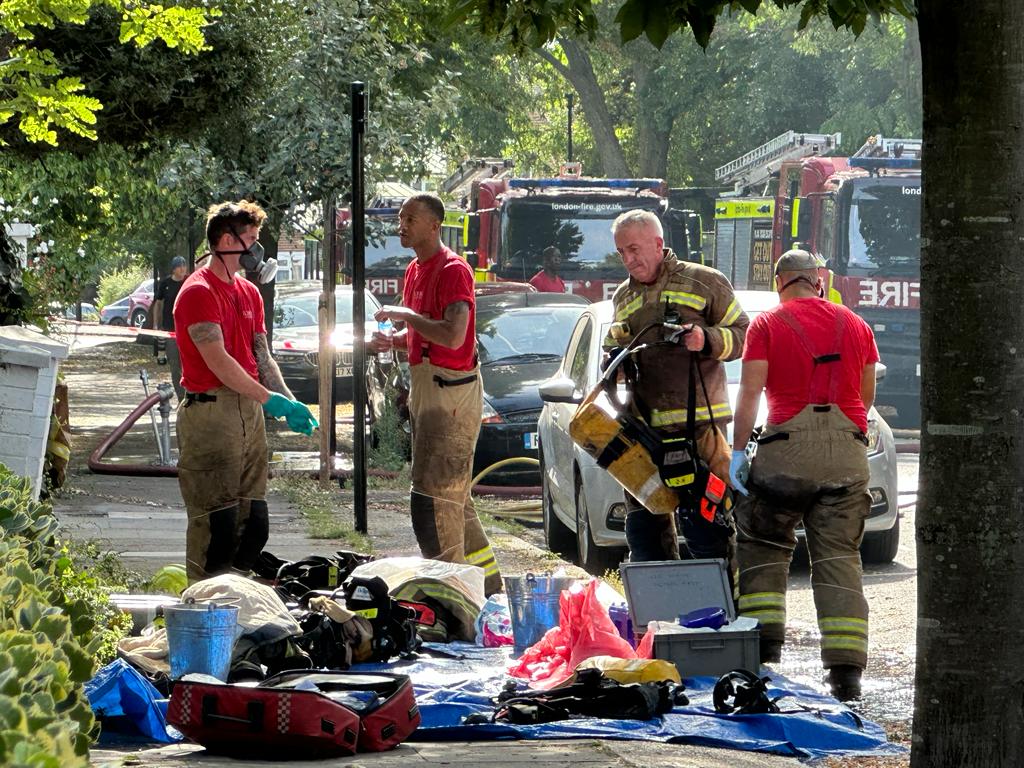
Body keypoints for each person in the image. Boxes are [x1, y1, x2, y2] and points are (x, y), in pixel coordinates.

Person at [729, 248, 879, 701]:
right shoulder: (856, 324)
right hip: (847, 458)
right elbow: (865, 398)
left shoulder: (768, 325)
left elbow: (751, 393)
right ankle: (846, 675)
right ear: (819, 281)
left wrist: (738, 453)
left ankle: (764, 653)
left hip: (786, 455)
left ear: (779, 284)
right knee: (839, 561)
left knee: (763, 544)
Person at [173, 200, 318, 584]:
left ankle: (236, 600)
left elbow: (261, 356)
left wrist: (289, 401)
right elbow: (218, 361)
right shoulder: (197, 292)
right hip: (210, 413)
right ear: (226, 241)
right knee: (216, 527)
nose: (257, 249)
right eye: (251, 239)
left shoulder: (249, 293)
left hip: (248, 415)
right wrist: (269, 399)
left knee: (253, 524)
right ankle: (204, 608)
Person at [371, 193, 502, 596]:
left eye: (410, 218)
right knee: (455, 499)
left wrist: (406, 316)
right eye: (399, 218)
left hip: (451, 396)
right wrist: (393, 343)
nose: (401, 225)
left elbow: (453, 334)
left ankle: (454, 594)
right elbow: (426, 335)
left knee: (434, 499)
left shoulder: (453, 270)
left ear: (434, 225)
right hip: (428, 390)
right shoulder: (415, 269)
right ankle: (491, 590)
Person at [603, 209, 748, 567]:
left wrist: (707, 338)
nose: (628, 259)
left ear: (658, 243)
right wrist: (614, 362)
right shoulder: (623, 296)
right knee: (645, 533)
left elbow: (746, 337)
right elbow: (614, 345)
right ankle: (659, 614)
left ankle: (725, 612)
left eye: (634, 248)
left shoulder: (705, 282)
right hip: (644, 434)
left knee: (708, 527)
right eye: (622, 252)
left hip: (701, 430)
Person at [153, 255, 189, 401]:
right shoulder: (165, 283)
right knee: (175, 365)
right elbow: (158, 304)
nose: (183, 269)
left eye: (184, 265)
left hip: (188, 331)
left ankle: (190, 396)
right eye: (180, 266)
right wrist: (156, 324)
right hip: (170, 330)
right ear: (174, 269)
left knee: (188, 364)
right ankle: (181, 397)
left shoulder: (188, 282)